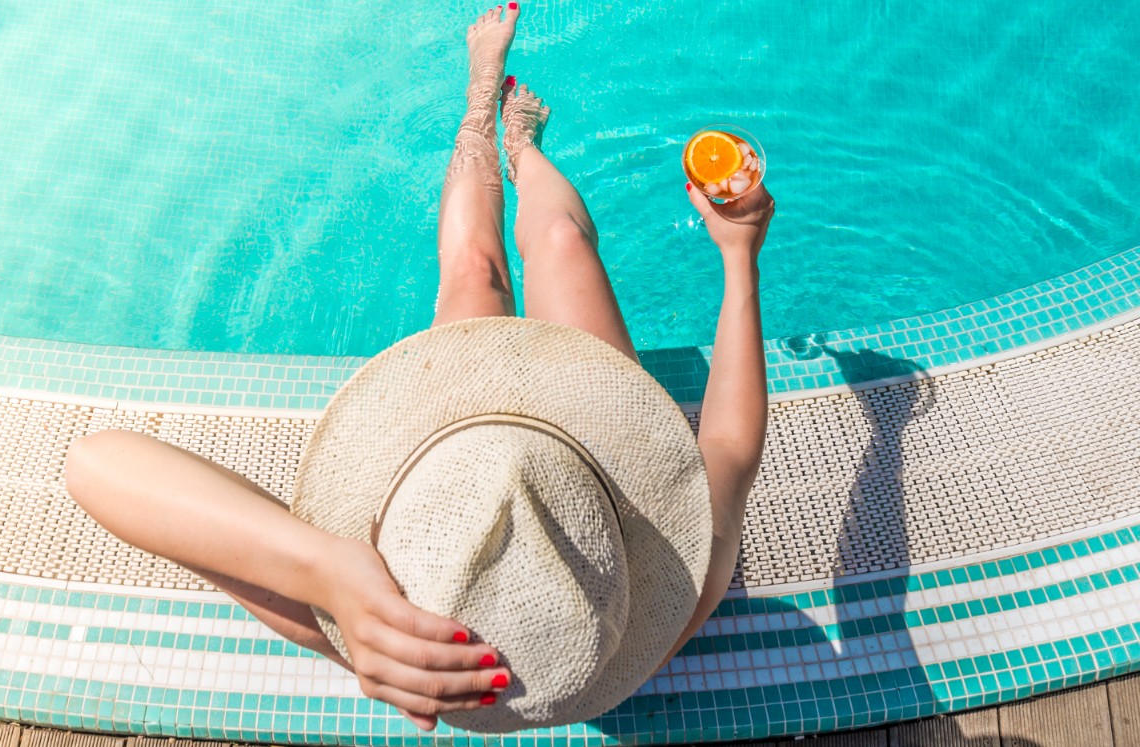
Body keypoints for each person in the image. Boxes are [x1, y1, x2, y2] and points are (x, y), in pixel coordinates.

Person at [63, 2, 774, 734]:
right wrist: (738, 253)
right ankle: (524, 149)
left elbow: (95, 463)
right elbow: (728, 449)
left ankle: (478, 108)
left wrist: (326, 572)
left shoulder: (384, 622)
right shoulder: (659, 610)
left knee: (475, 272)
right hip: (590, 466)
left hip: (458, 451)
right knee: (560, 242)